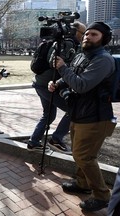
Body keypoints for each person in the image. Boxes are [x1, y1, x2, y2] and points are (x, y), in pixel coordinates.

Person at [48, 21, 116, 212]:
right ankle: (83, 183)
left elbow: (81, 85)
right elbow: (73, 74)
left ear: (104, 39)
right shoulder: (82, 55)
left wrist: (61, 67)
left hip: (96, 117)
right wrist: (58, 83)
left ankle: (102, 195)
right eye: (87, 34)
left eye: (94, 34)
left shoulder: (104, 60)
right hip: (79, 113)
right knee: (80, 153)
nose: (88, 37)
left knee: (84, 156)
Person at [27, 21, 86, 154]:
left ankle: (33, 142)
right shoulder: (69, 43)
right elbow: (56, 64)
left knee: (48, 115)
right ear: (75, 31)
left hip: (40, 83)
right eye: (84, 33)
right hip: (49, 85)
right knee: (73, 110)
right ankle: (56, 139)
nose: (84, 36)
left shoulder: (60, 42)